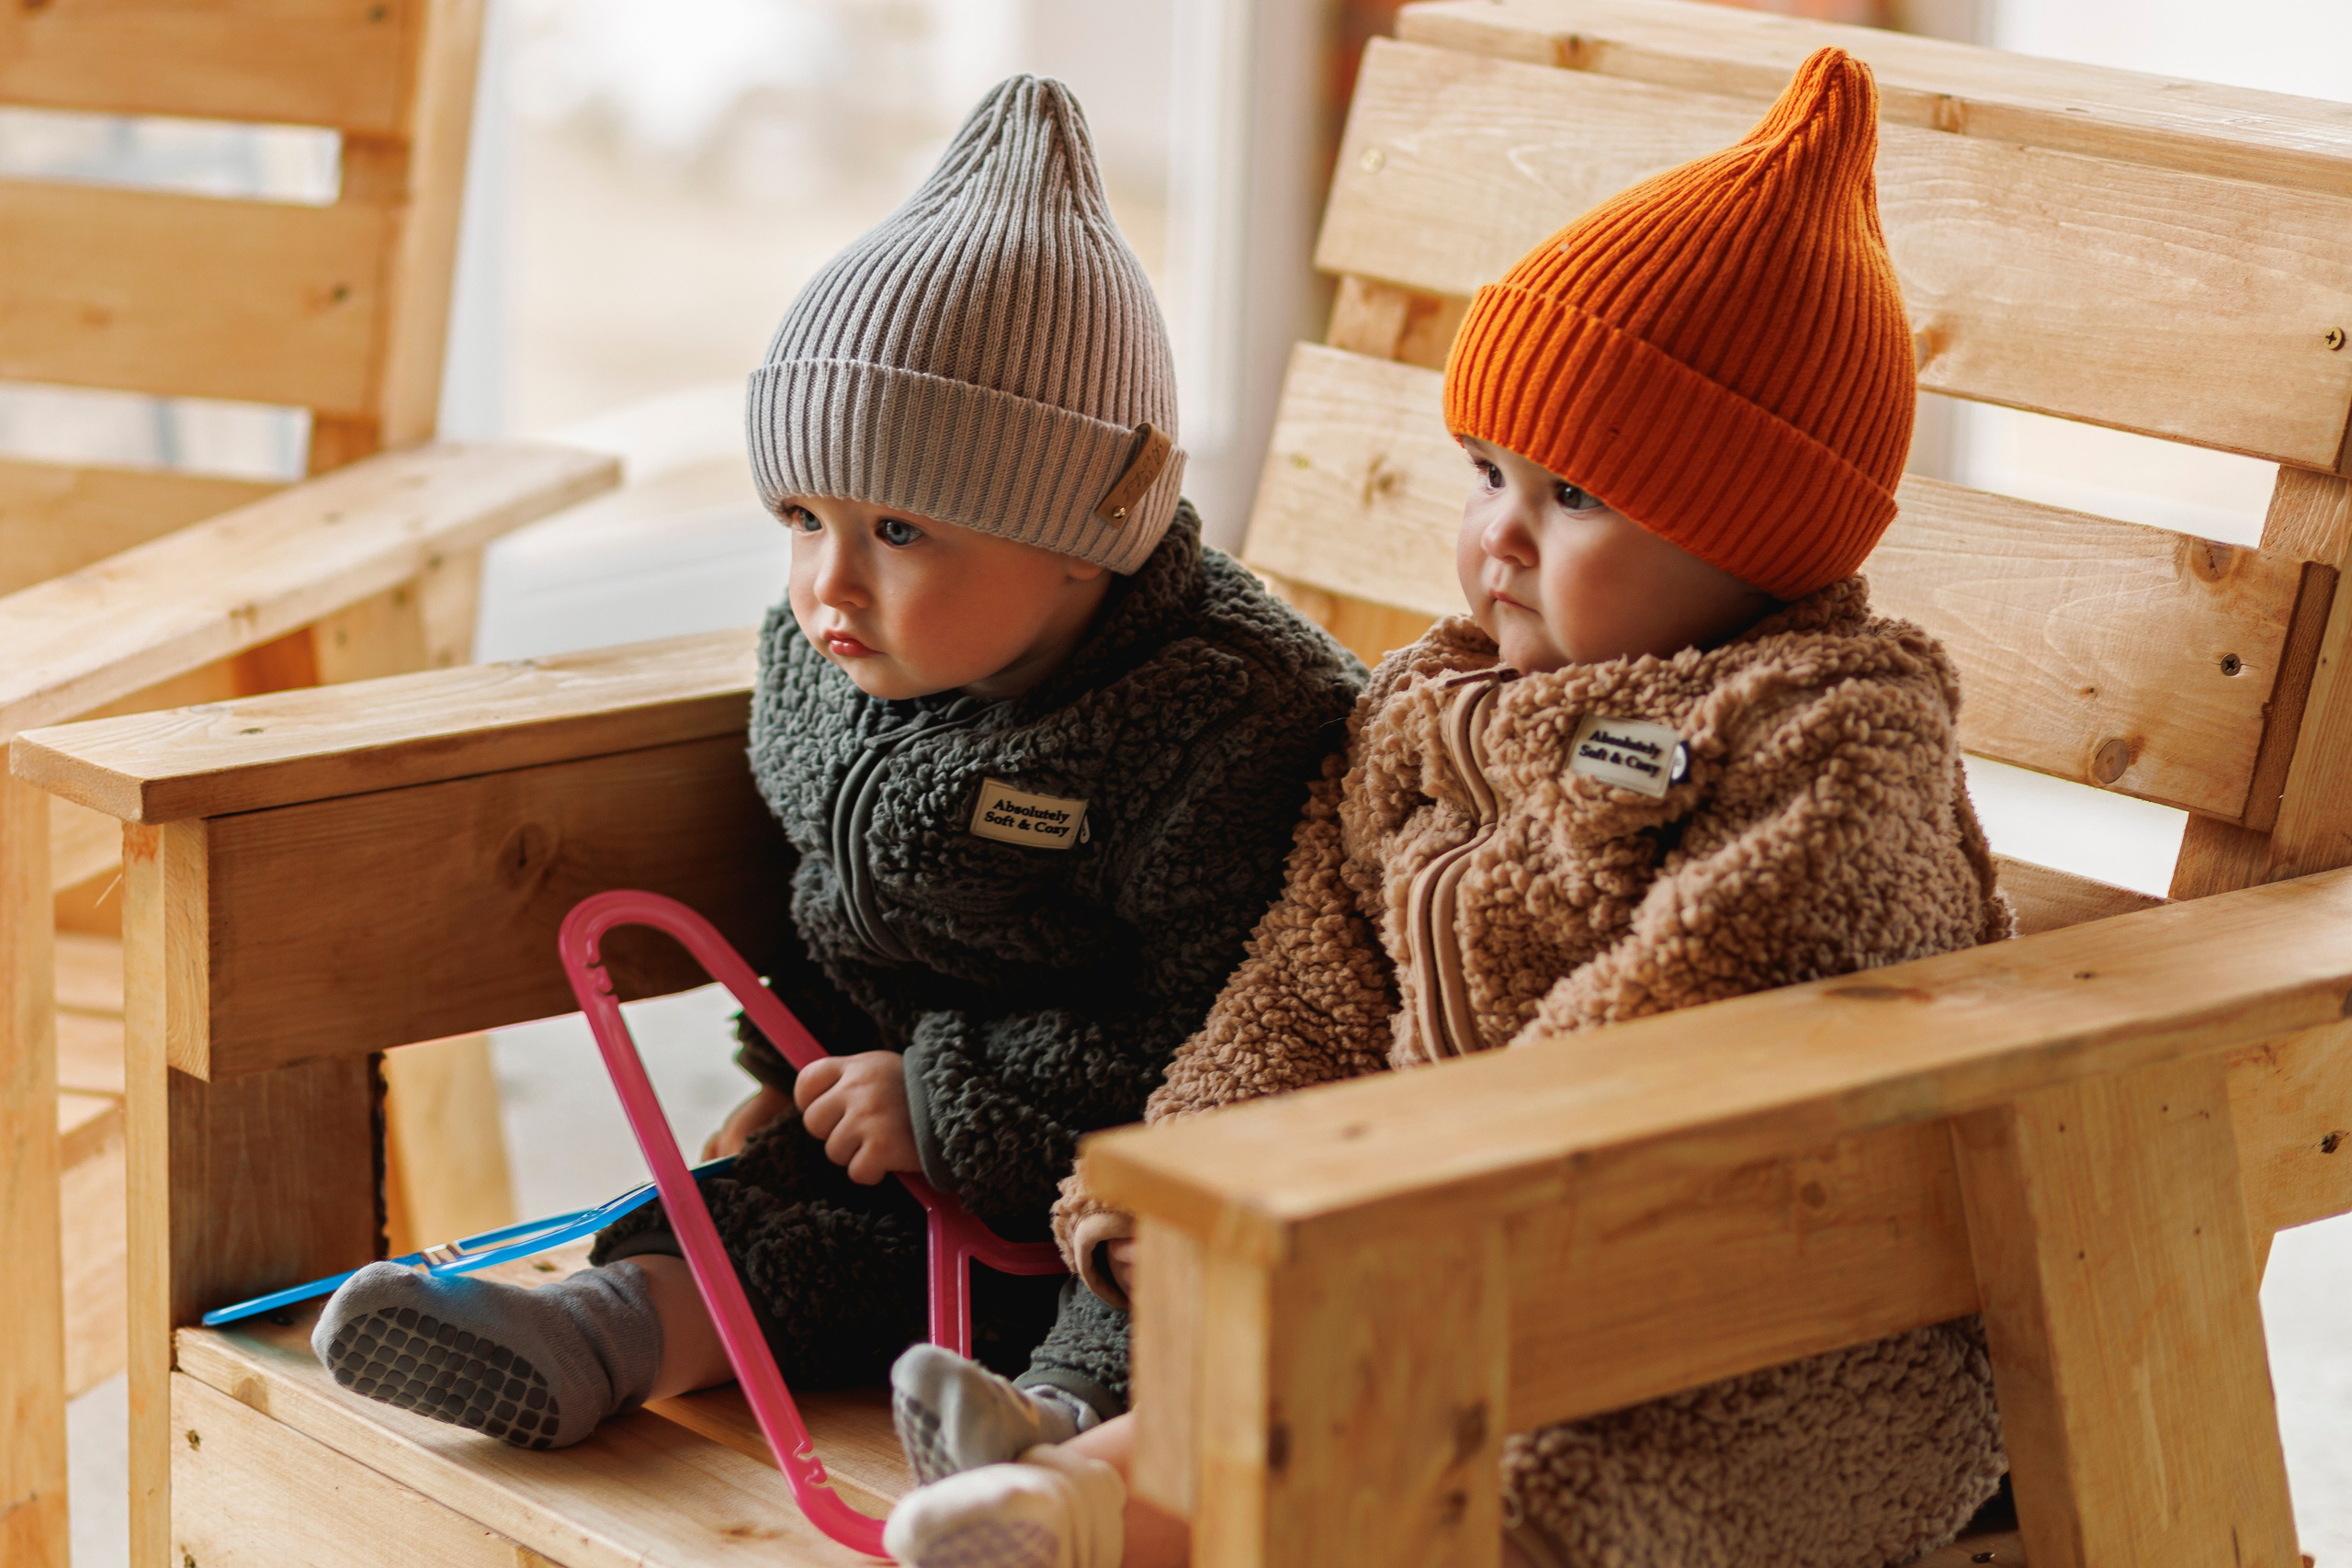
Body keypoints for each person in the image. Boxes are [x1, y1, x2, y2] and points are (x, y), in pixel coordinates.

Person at [882, 48, 2012, 1568]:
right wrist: (1214, 1171)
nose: (1498, 538)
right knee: (1298, 1376)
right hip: (1421, 1267)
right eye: (1489, 472)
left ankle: (1095, 1501)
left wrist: (1422, 1204)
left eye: (1578, 499)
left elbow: (1706, 993)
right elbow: (1322, 962)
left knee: (1488, 1490)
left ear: (1762, 535)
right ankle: (1075, 1494)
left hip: (1765, 1329)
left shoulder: (1827, 741)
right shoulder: (1436, 707)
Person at [308, 74, 1363, 1455]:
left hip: (1131, 1169)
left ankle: (1044, 1453)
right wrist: (804, 1074)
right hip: (891, 1146)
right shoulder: (831, 667)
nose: (827, 585)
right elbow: (821, 907)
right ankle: (593, 1338)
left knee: (1155, 1282)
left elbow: (1240, 1029)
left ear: (1088, 528)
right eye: (800, 516)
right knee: (763, 1229)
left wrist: (955, 1101)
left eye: (902, 532)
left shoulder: (1226, 723)